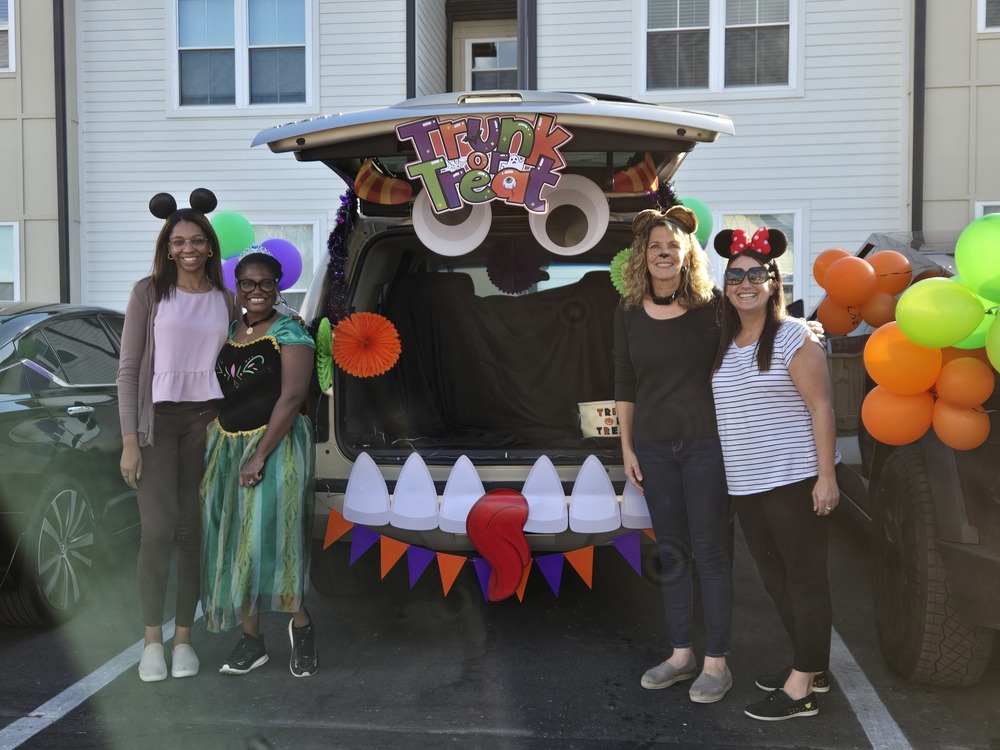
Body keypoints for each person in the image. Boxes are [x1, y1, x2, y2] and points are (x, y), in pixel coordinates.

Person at [710, 227, 839, 721]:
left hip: (794, 480)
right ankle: (814, 665)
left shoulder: (792, 335)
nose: (745, 282)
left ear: (772, 282)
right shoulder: (725, 343)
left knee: (804, 581)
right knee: (776, 581)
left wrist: (826, 477)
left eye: (754, 274)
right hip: (746, 484)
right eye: (735, 275)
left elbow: (822, 408)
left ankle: (800, 689)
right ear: (725, 286)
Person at [118, 188, 240, 682]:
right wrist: (129, 440)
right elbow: (128, 370)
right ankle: (152, 642)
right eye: (177, 241)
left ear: (210, 246)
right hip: (156, 424)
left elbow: (239, 365)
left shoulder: (226, 299)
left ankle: (184, 639)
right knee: (158, 533)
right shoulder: (148, 293)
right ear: (167, 248)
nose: (188, 248)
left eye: (196, 240)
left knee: (192, 534)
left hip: (205, 422)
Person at [613, 205, 734, 704]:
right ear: (644, 254)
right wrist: (627, 449)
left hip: (707, 445)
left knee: (710, 553)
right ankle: (682, 656)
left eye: (673, 246)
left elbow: (753, 347)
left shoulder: (714, 308)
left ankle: (716, 664)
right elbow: (625, 381)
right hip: (655, 449)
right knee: (674, 553)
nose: (664, 253)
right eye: (656, 246)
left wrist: (798, 331)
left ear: (688, 255)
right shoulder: (627, 312)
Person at [200, 249, 318, 677]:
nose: (256, 291)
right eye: (247, 283)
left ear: (278, 286)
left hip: (276, 446)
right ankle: (252, 641)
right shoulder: (232, 329)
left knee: (272, 539)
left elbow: (290, 399)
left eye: (265, 283)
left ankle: (301, 628)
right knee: (233, 542)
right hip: (227, 445)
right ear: (237, 286)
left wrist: (260, 456)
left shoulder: (291, 333)